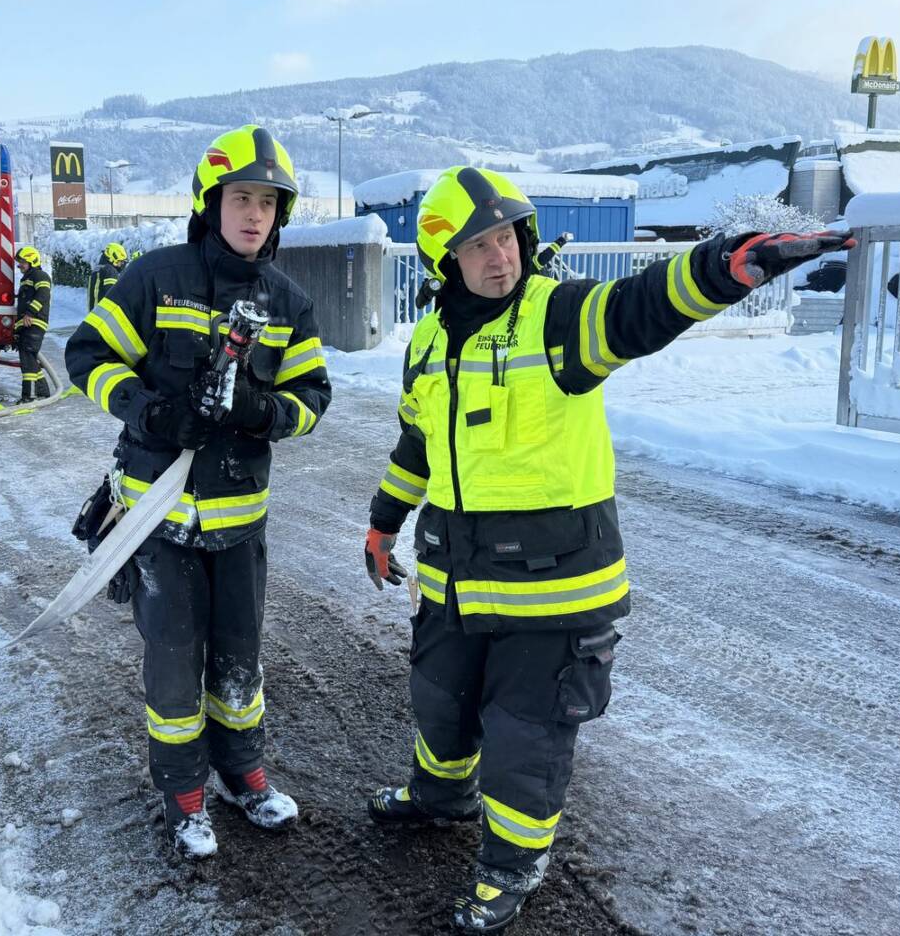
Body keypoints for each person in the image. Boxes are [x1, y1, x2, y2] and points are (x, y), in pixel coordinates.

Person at [361, 166, 853, 931]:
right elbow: (417, 443)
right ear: (442, 261)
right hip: (457, 580)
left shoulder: (556, 316)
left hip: (553, 592)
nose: (499, 256)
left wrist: (722, 267)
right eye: (477, 245)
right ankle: (441, 797)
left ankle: (511, 865)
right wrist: (383, 521)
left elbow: (638, 308)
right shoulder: (426, 341)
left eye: (506, 237)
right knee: (440, 701)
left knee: (525, 736)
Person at [65, 125, 332, 860]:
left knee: (240, 659)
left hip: (240, 525)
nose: (255, 214)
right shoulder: (156, 278)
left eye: (268, 203)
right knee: (175, 665)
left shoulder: (287, 302)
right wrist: (147, 410)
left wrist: (262, 412)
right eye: (241, 198)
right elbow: (87, 353)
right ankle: (184, 796)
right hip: (157, 521)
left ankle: (243, 773)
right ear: (211, 203)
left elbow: (313, 397)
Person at [13, 246, 52, 402]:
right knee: (30, 357)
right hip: (28, 324)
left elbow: (43, 295)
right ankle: (43, 391)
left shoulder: (40, 275)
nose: (20, 265)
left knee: (27, 359)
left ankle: (29, 396)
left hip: (35, 322)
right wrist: (17, 328)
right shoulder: (28, 278)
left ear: (32, 261)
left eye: (23, 262)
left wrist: (30, 313)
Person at [87, 241, 128, 310]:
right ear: (112, 258)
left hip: (94, 312)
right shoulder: (110, 270)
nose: (121, 264)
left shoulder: (97, 269)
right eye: (120, 261)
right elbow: (112, 295)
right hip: (104, 313)